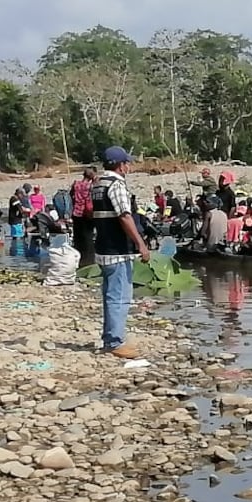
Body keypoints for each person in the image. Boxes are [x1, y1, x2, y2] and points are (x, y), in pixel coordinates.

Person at [91, 146, 150, 359]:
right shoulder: (116, 185)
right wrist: (141, 244)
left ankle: (110, 338)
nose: (129, 166)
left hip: (103, 248)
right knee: (119, 297)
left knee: (110, 296)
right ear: (120, 165)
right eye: (127, 162)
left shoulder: (97, 184)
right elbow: (125, 216)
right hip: (117, 249)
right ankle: (114, 341)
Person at [71, 166, 97, 266]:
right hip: (87, 214)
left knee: (78, 238)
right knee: (88, 238)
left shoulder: (76, 184)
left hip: (76, 213)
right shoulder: (90, 186)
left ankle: (79, 259)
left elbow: (72, 196)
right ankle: (89, 260)